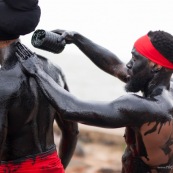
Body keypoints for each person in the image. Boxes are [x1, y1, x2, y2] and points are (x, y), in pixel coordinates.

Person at [16, 30, 173, 173]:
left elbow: (70, 108)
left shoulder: (143, 108)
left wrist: (37, 70)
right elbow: (115, 66)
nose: (129, 64)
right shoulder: (167, 92)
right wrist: (76, 38)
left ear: (156, 65)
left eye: (135, 58)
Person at [0, 1, 78, 173]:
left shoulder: (2, 82)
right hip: (52, 166)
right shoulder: (53, 69)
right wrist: (60, 167)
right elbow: (71, 130)